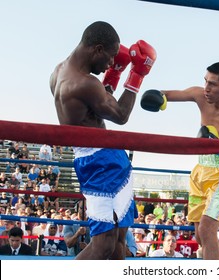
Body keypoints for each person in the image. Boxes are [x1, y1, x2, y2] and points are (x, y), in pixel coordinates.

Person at [49, 21, 156, 260]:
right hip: (101, 161)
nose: (110, 63)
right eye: (109, 58)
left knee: (119, 239)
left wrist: (114, 74)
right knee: (105, 244)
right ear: (97, 49)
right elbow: (120, 115)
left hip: (98, 158)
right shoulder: (86, 83)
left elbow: (94, 107)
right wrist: (137, 74)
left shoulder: (58, 72)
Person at [141, 62, 219, 259]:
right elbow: (168, 93)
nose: (206, 88)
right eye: (205, 81)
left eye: (213, 84)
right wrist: (158, 96)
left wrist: (218, 147)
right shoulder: (200, 95)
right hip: (201, 170)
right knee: (201, 236)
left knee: (207, 229)